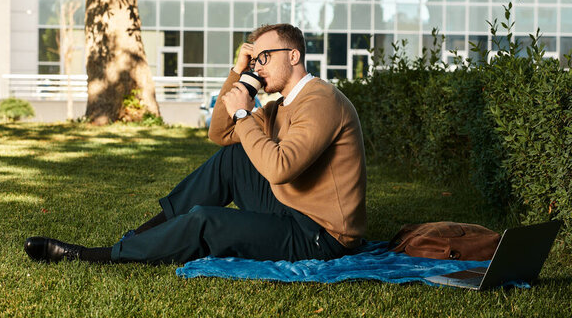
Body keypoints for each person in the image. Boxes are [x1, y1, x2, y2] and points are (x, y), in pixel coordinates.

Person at [24, 23, 367, 264]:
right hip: (293, 209)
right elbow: (219, 134)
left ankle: (96, 255)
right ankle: (134, 239)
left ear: (293, 56)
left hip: (323, 237)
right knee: (233, 158)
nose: (258, 66)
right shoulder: (280, 106)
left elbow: (280, 168)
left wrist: (244, 117)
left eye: (264, 57)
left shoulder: (321, 100)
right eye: (254, 58)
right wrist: (238, 74)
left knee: (205, 220)